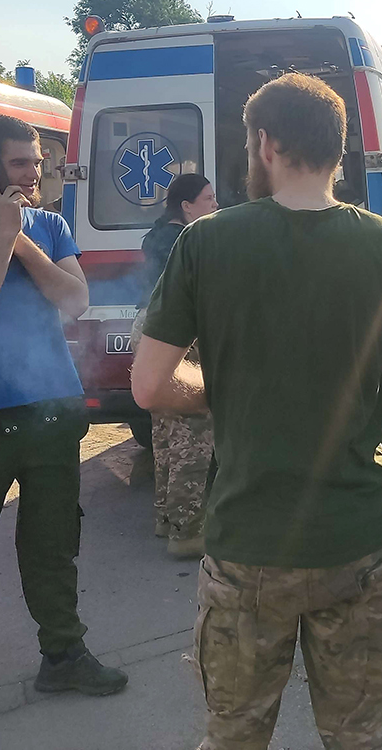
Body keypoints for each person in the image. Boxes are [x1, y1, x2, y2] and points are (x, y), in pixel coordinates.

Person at [131, 74, 382, 747]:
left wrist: (215, 388)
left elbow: (150, 386)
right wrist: (369, 347)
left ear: (266, 144)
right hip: (356, 540)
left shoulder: (206, 241)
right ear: (339, 149)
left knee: (234, 737)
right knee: (359, 737)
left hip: (248, 545)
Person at [0, 115, 127, 704]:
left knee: (53, 538)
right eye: (20, 163)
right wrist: (2, 239)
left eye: (38, 162)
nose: (35, 173)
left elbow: (75, 299)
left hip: (51, 407)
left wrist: (21, 240)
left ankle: (62, 654)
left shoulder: (52, 226)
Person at [135, 174, 217, 558]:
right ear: (186, 206)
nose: (215, 205)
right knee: (192, 431)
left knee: (165, 433)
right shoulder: (186, 239)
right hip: (175, 336)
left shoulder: (157, 235)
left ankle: (166, 518)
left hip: (149, 330)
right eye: (208, 199)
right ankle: (187, 534)